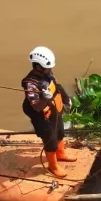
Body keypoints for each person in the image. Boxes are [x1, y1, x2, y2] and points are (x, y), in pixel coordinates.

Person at [21, 46, 76, 178]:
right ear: (39, 67)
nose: (51, 70)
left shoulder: (48, 74)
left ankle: (61, 154)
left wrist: (66, 99)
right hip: (42, 115)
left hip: (55, 108)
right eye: (48, 67)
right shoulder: (30, 84)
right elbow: (36, 107)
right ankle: (53, 166)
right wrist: (45, 98)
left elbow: (57, 86)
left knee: (60, 132)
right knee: (50, 140)